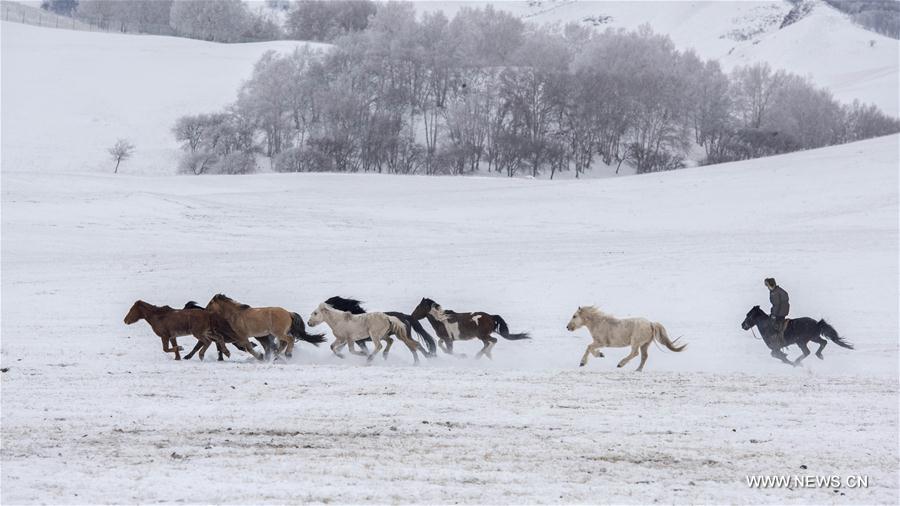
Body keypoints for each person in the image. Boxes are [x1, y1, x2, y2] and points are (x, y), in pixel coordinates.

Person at [765, 277, 789, 348]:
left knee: (772, 325)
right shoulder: (777, 290)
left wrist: (774, 315)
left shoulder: (775, 293)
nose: (767, 287)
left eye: (768, 286)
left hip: (780, 312)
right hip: (783, 311)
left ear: (771, 285)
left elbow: (776, 305)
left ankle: (778, 342)